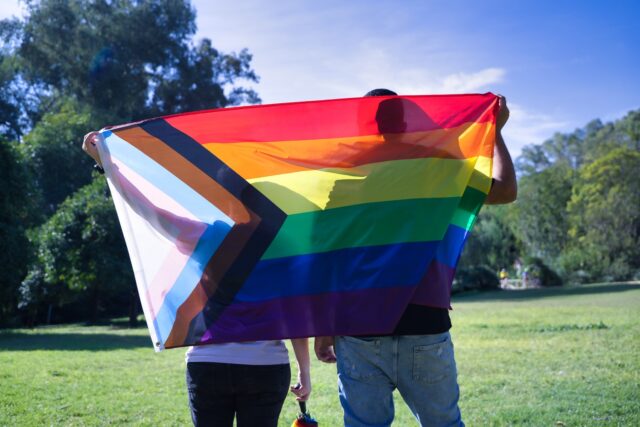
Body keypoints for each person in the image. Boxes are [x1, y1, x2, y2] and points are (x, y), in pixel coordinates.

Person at [315, 89, 517, 427]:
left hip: (357, 329)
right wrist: (494, 131)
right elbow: (506, 190)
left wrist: (323, 327)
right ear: (408, 122)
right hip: (425, 325)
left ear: (365, 123)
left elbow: (329, 260)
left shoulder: (346, 177)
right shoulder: (438, 170)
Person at [82, 131, 311, 427]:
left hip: (208, 363)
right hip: (266, 366)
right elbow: (294, 316)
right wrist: (305, 370)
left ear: (224, 198)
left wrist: (107, 165)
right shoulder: (284, 248)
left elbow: (148, 210)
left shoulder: (205, 235)